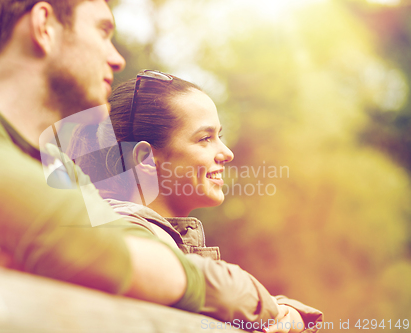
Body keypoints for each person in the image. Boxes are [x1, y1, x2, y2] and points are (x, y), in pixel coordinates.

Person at [0, 1, 206, 312]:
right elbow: (83, 244)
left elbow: (151, 255)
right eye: (102, 31)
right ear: (44, 26)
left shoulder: (60, 167)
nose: (117, 59)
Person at [70, 70, 324, 332]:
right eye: (205, 138)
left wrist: (287, 312)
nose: (226, 153)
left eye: (220, 137)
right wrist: (280, 311)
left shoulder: (155, 237)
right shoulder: (123, 230)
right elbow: (224, 293)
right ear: (144, 158)